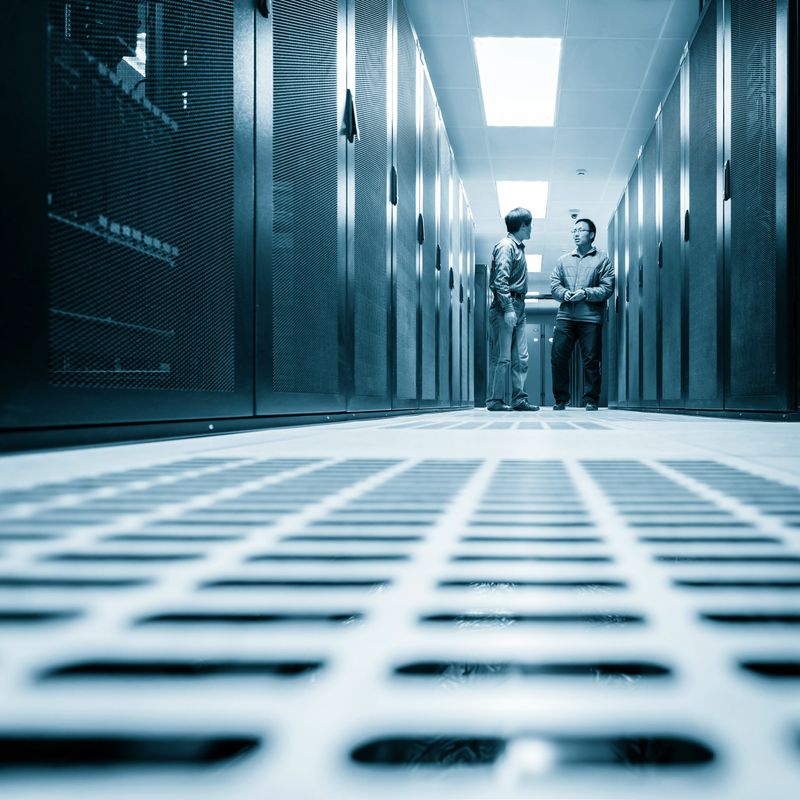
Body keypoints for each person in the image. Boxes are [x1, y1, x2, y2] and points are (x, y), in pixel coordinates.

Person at [549, 218, 615, 411]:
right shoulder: (563, 260)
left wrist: (585, 293)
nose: (576, 234)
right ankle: (561, 399)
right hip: (566, 316)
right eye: (574, 231)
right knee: (558, 357)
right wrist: (564, 293)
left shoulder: (603, 259)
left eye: (580, 230)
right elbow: (554, 285)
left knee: (591, 360)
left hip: (590, 317)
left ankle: (591, 400)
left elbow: (607, 288)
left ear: (591, 234)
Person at [485, 207, 539, 412]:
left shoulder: (518, 247)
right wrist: (508, 308)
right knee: (502, 357)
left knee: (521, 357)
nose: (531, 228)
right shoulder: (506, 246)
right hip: (505, 307)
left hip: (519, 307)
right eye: (530, 225)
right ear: (523, 226)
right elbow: (500, 281)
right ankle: (495, 400)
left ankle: (519, 400)